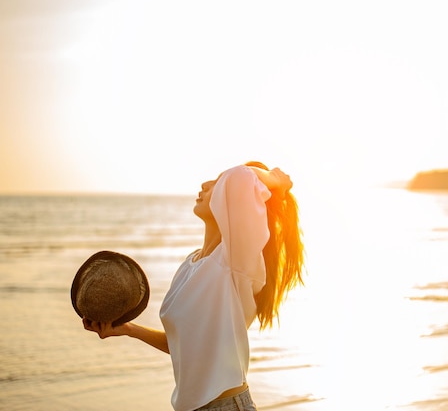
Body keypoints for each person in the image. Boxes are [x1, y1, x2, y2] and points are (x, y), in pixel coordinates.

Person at [83, 162, 304, 411]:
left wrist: (275, 180)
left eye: (217, 183)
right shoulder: (190, 265)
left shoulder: (237, 261)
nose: (205, 185)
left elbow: (239, 177)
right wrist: (130, 330)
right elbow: (183, 345)